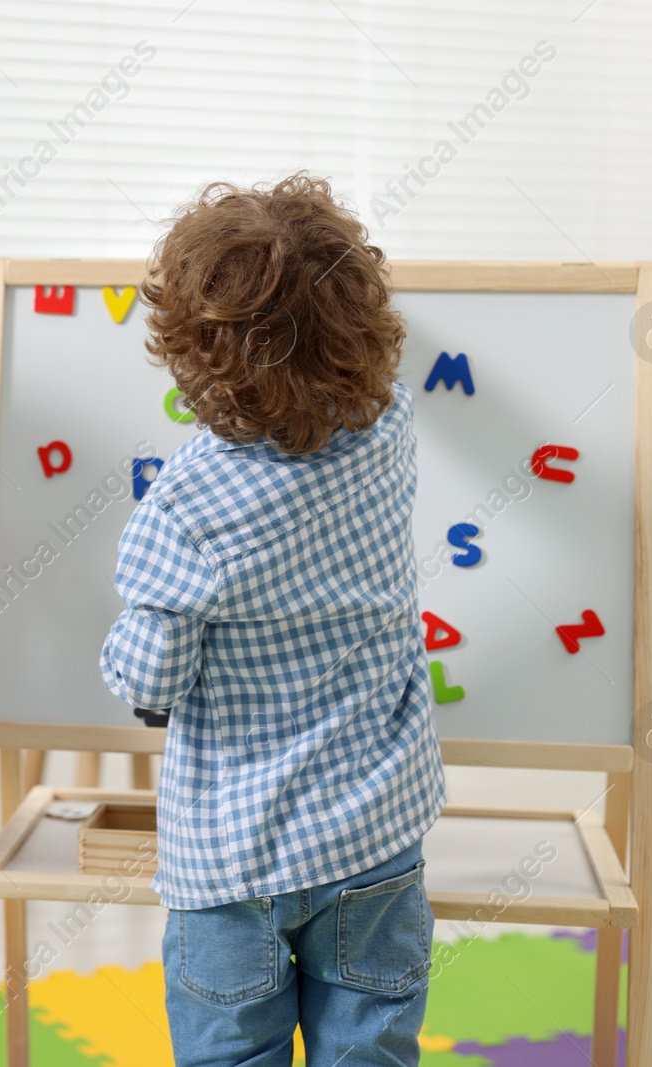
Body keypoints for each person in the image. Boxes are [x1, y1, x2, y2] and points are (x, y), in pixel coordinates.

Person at [100, 173, 446, 1067]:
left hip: (232, 861)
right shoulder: (392, 426)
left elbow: (148, 679)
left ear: (194, 353)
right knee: (371, 1051)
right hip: (376, 832)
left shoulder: (189, 503)